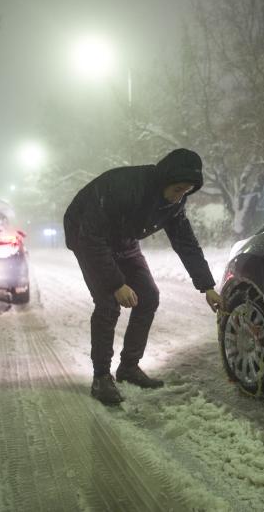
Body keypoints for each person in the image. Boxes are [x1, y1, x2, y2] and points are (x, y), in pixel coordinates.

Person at [63, 148, 223, 405]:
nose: (179, 196)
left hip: (123, 239)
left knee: (148, 296)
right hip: (86, 234)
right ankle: (101, 377)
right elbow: (91, 237)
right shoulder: (124, 187)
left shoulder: (174, 202)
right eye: (177, 188)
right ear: (165, 180)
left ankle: (128, 367)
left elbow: (186, 242)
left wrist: (207, 286)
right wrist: (116, 283)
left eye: (186, 191)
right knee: (108, 303)